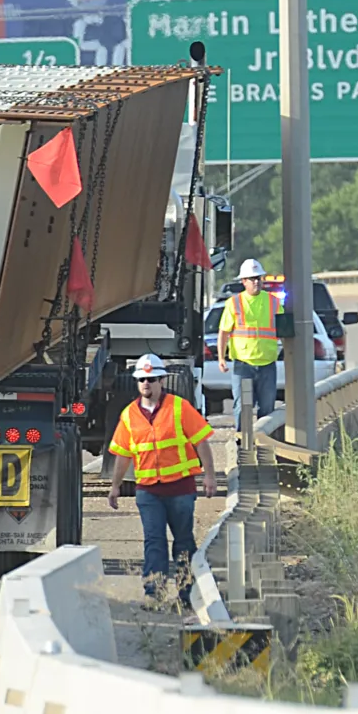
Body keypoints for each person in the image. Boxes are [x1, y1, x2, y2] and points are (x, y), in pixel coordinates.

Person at [106, 353, 212, 603]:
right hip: (148, 491)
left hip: (180, 489)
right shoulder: (129, 414)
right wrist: (115, 486)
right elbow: (123, 454)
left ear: (162, 380)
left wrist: (209, 476)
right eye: (142, 379)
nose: (146, 383)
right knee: (154, 541)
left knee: (184, 541)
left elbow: (202, 442)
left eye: (152, 379)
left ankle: (188, 593)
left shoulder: (179, 407)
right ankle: (154, 593)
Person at [218, 256, 282, 420]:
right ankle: (242, 442)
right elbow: (224, 332)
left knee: (267, 407)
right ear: (244, 281)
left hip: (267, 364)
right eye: (252, 279)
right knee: (242, 407)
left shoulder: (273, 302)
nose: (256, 282)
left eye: (258, 278)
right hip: (243, 364)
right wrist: (221, 358)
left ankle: (264, 443)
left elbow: (284, 329)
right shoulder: (234, 302)